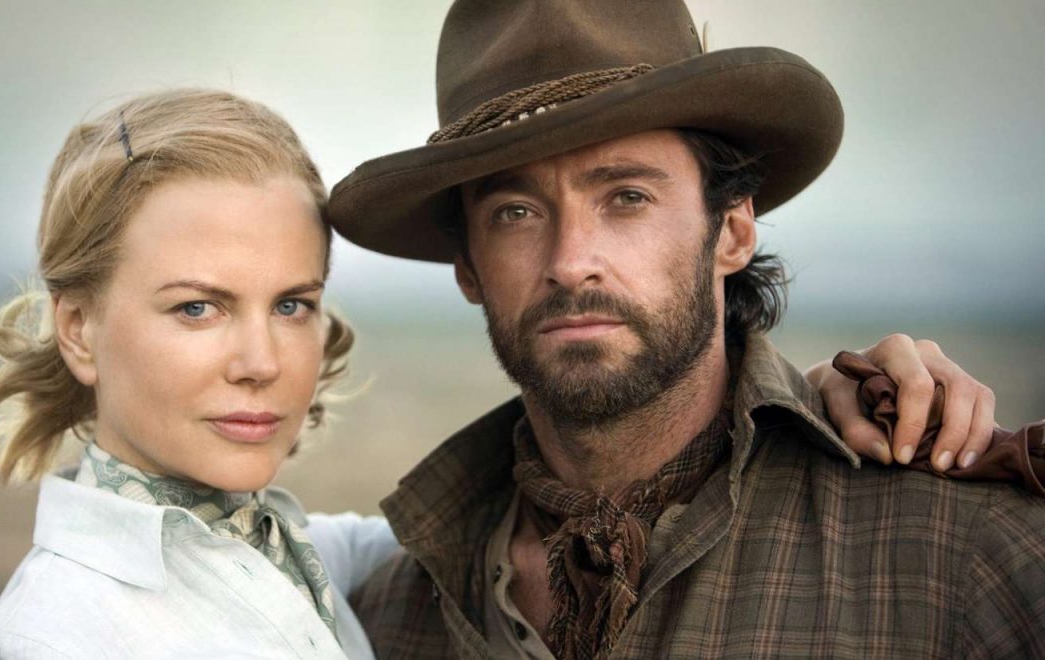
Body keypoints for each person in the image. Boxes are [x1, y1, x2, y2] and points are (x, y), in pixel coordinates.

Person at [328, 0, 1045, 657]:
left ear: (732, 231)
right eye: (514, 212)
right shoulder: (387, 615)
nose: (571, 263)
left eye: (627, 197)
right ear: (468, 268)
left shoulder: (955, 554)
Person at [0, 89, 398, 659]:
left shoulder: (306, 554)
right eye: (196, 308)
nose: (261, 363)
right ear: (77, 330)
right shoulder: (54, 638)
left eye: (291, 305)